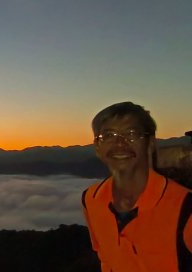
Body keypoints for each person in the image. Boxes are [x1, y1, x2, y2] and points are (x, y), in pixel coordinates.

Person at [82, 101, 191, 271]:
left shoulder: (184, 207)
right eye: (109, 135)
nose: (120, 143)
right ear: (97, 146)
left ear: (150, 143)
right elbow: (104, 255)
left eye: (131, 134)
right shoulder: (90, 199)